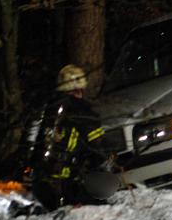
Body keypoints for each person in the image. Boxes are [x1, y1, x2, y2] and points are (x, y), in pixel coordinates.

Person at [27, 64, 110, 210]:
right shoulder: (84, 112)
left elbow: (32, 142)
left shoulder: (47, 110)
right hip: (68, 182)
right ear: (80, 89)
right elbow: (97, 150)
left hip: (40, 180)